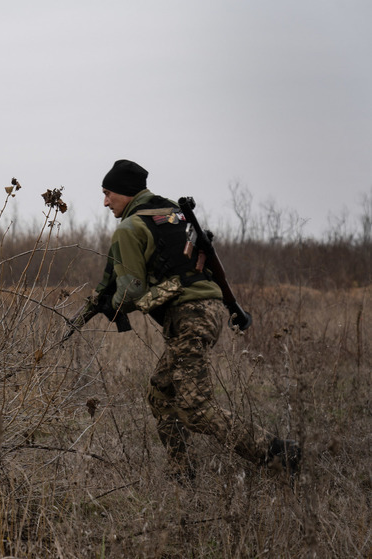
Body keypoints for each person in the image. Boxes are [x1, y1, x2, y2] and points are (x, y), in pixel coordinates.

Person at [68, 159, 300, 480]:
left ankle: (278, 454)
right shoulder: (170, 214)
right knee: (160, 393)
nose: (105, 202)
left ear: (125, 192)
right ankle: (181, 473)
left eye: (108, 193)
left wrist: (112, 306)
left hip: (189, 316)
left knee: (195, 409)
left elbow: (131, 291)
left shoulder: (131, 228)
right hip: (207, 310)